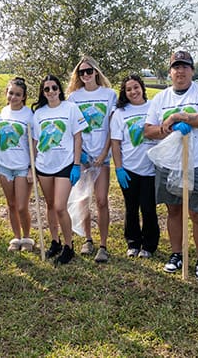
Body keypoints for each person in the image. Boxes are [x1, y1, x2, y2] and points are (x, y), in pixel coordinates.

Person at [144, 51, 198, 281]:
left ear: (192, 71)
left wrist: (179, 117)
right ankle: (176, 254)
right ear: (170, 72)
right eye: (176, 67)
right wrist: (168, 129)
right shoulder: (160, 98)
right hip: (169, 164)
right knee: (173, 210)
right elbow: (149, 130)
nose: (180, 71)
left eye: (185, 67)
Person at [32, 75, 87, 265]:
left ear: (59, 89)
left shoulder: (70, 108)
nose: (51, 92)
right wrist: (32, 166)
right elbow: (35, 141)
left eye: (54, 88)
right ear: (43, 93)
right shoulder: (39, 113)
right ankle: (55, 242)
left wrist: (77, 164)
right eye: (46, 89)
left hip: (65, 164)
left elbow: (78, 137)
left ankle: (68, 246)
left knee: (60, 206)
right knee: (49, 205)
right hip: (44, 165)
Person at [66, 57, 117, 262]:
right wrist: (81, 156)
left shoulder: (109, 95)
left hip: (102, 158)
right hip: (83, 157)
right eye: (81, 72)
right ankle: (88, 240)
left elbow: (113, 127)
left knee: (102, 200)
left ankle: (103, 245)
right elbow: (71, 130)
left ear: (96, 71)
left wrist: (105, 153)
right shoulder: (73, 98)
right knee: (83, 200)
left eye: (89, 71)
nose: (85, 75)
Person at [110, 75, 159, 258]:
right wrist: (119, 168)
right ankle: (133, 243)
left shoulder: (153, 106)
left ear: (142, 88)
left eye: (136, 87)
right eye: (129, 89)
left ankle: (149, 244)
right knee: (131, 208)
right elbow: (115, 143)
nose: (133, 92)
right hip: (129, 168)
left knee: (148, 208)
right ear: (125, 92)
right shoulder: (120, 113)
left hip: (151, 168)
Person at [0, 77, 35, 252]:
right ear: (6, 93)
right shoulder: (3, 112)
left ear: (24, 96)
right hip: (4, 165)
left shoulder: (29, 115)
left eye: (18, 94)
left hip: (22, 166)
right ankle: (16, 237)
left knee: (21, 206)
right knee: (11, 204)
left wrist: (30, 168)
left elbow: (33, 143)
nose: (13, 97)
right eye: (11, 93)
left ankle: (27, 237)